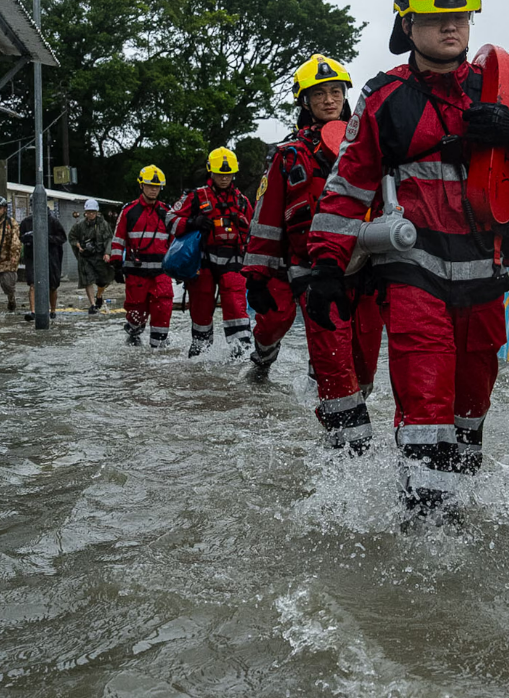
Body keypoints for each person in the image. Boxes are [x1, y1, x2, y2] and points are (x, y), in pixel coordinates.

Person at [306, 0, 509, 513]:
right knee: (424, 411)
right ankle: (423, 543)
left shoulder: (498, 89)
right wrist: (326, 268)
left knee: (470, 416)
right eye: (437, 17)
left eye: (462, 17)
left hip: (485, 278)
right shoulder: (383, 97)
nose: (453, 27)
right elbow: (347, 186)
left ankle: (457, 535)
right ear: (407, 25)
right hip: (414, 274)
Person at [243, 54, 384, 453]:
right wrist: (257, 274)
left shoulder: (371, 148)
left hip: (367, 270)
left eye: (335, 91)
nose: (328, 99)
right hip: (311, 273)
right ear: (304, 102)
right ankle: (348, 451)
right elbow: (267, 219)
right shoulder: (289, 155)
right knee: (335, 365)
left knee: (365, 367)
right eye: (318, 93)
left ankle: (346, 423)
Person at [168, 148, 254, 358]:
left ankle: (241, 354)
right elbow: (169, 219)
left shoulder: (242, 200)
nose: (224, 178)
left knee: (236, 306)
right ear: (210, 172)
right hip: (203, 261)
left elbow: (254, 232)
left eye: (228, 174)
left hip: (233, 260)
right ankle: (199, 353)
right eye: (219, 174)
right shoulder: (195, 197)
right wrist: (191, 222)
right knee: (201, 307)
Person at [110, 166, 175, 348]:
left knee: (163, 308)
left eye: (157, 186)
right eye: (150, 185)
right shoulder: (129, 210)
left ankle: (159, 346)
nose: (154, 189)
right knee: (136, 310)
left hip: (161, 272)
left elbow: (175, 242)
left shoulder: (167, 212)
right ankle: (133, 334)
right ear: (142, 185)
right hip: (136, 272)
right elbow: (119, 238)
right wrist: (116, 263)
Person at [20, 208, 67, 320]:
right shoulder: (26, 222)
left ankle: (53, 310)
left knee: (52, 285)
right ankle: (33, 311)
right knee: (33, 283)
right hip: (32, 256)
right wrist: (28, 238)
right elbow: (20, 237)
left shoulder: (53, 222)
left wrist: (45, 238)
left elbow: (62, 238)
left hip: (51, 257)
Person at [69, 198, 114, 314]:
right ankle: (92, 304)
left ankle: (99, 295)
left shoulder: (103, 224)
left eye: (93, 212)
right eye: (88, 212)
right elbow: (71, 237)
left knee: (105, 279)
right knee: (87, 280)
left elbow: (109, 239)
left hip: (99, 256)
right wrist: (78, 245)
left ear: (97, 212)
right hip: (85, 257)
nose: (91, 214)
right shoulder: (79, 225)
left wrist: (107, 253)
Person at [0, 196, 21, 315]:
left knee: (8, 285)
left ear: (4, 209)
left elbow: (16, 240)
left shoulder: (11, 223)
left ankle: (11, 298)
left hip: (7, 260)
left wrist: (14, 255)